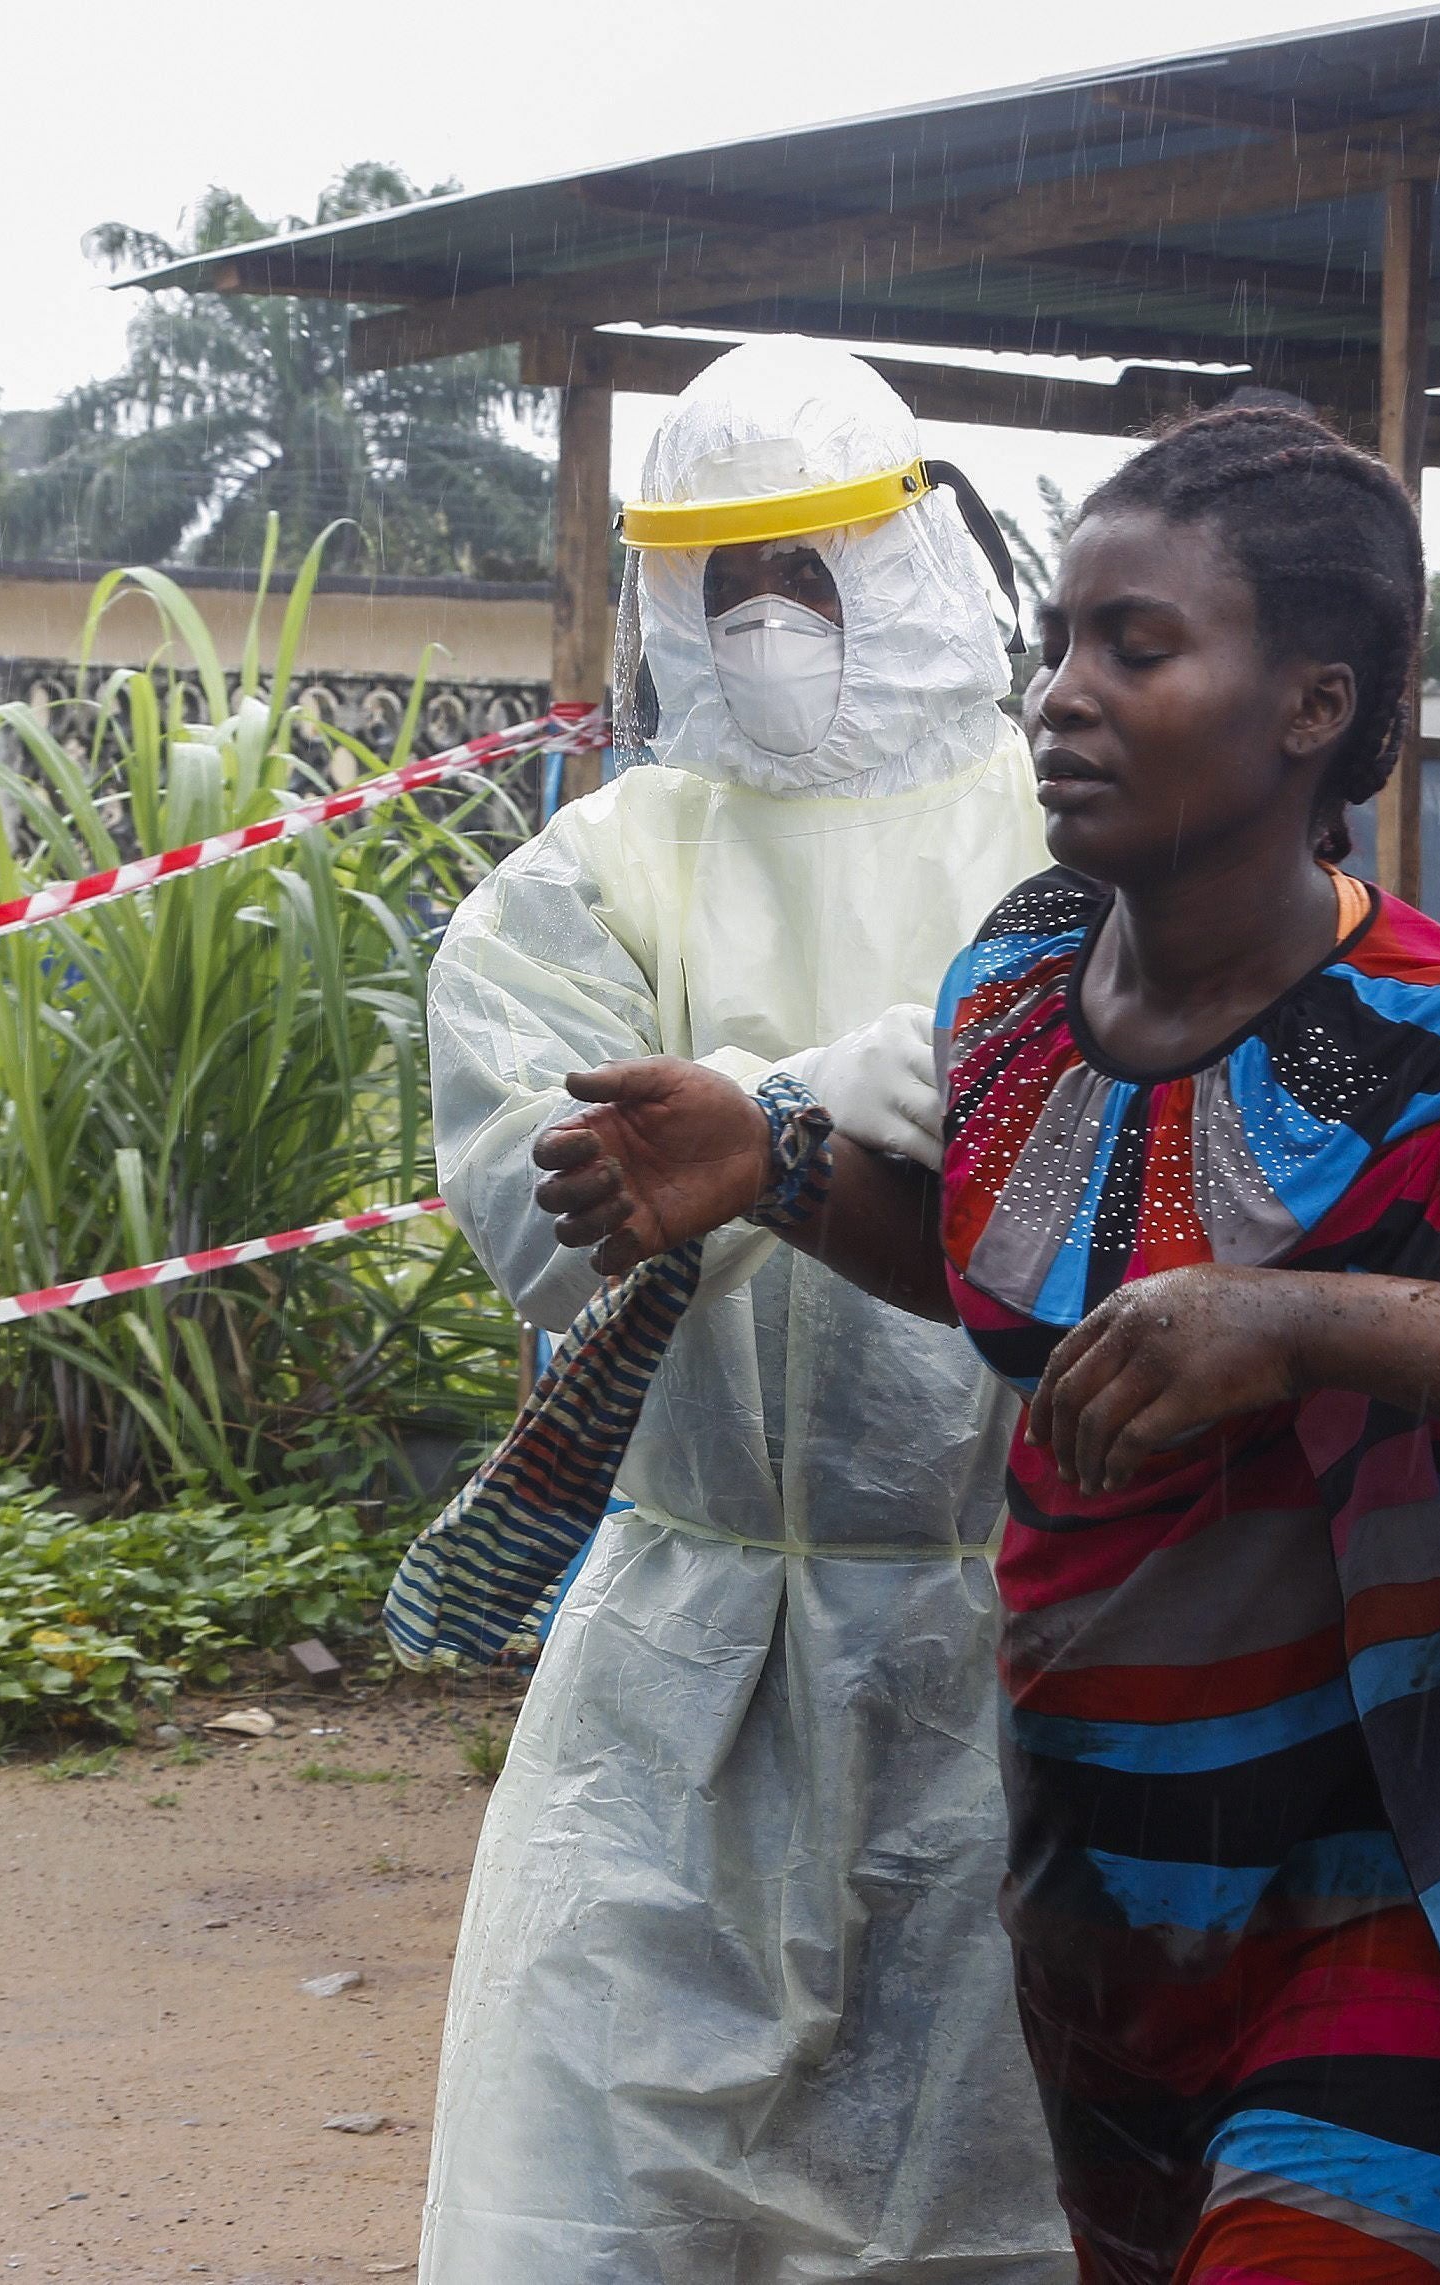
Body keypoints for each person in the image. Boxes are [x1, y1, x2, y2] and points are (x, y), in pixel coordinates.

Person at [522, 403, 1440, 2283]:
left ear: (1314, 704)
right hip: (1117, 1901)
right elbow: (1048, 1300)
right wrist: (776, 1164)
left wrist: (1308, 1323)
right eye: (1058, 643)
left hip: (1419, 1874)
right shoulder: (1016, 980)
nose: (1061, 697)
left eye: (1135, 648)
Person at [414, 337, 1070, 2282]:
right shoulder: (601, 872)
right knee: (606, 2179)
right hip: (691, 1653)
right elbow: (553, 1196)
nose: (770, 619)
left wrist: (773, 1122)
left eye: (809, 567)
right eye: (725, 580)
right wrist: (806, 1112)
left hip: (1006, 1635)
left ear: (909, 559)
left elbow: (1115, 1130)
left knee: (1008, 2188)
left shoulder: (1067, 833)